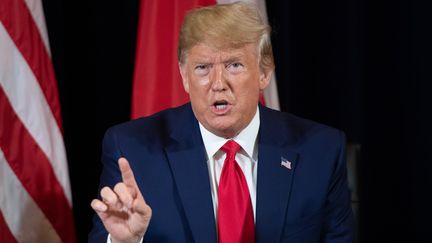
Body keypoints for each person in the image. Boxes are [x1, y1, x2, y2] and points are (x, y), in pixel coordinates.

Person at [89, 2, 353, 243]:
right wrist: (126, 242)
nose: (218, 84)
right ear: (184, 76)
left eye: (234, 65)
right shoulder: (133, 149)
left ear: (264, 73)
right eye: (202, 68)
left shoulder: (321, 151)